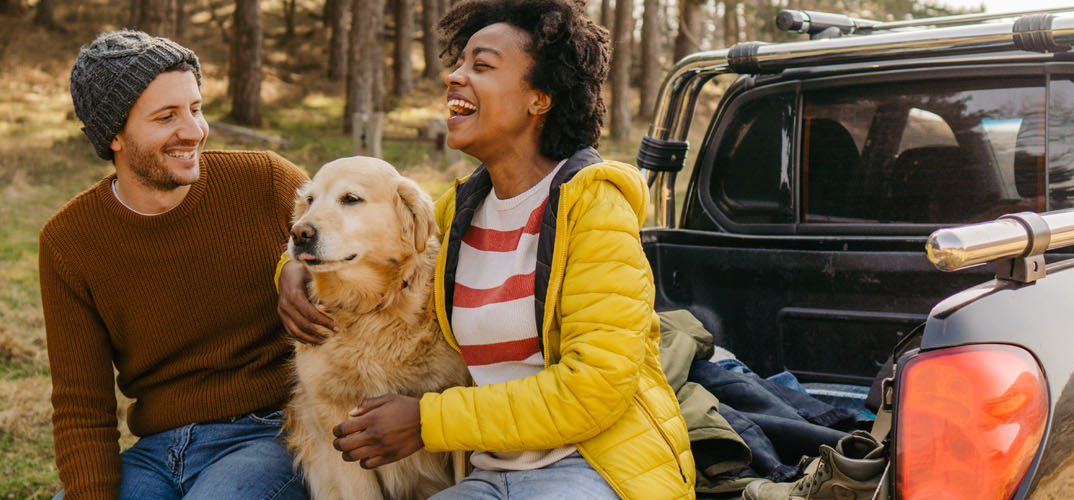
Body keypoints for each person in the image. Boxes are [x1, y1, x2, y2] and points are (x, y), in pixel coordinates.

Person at [276, 0, 696, 498]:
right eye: (458, 64)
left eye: (482, 65)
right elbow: (367, 233)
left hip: (597, 465)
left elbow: (594, 388)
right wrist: (290, 270)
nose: (454, 77)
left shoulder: (595, 209)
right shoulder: (461, 209)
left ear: (540, 98)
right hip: (490, 470)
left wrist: (429, 420)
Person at [40, 31, 309, 500]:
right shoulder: (69, 243)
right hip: (158, 449)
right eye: (167, 116)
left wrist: (295, 263)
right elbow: (82, 408)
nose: (194, 130)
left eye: (196, 108)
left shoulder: (267, 182)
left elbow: (356, 254)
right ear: (116, 135)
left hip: (272, 432)